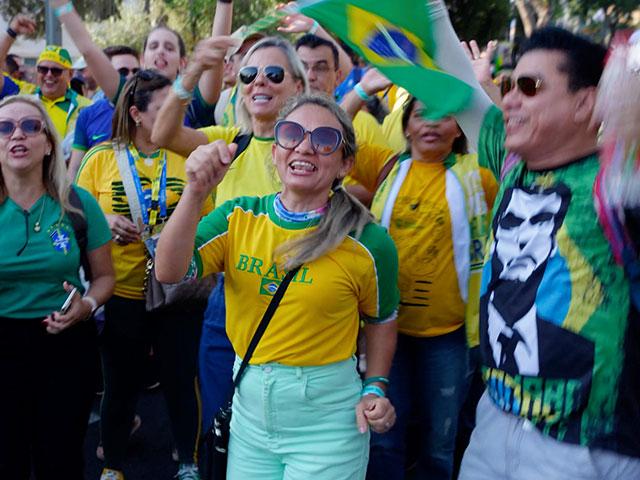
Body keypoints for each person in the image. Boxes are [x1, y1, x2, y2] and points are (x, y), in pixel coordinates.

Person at [419, 1, 640, 478]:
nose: (510, 99)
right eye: (508, 85)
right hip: (493, 423)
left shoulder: (619, 183)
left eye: (530, 87)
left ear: (587, 103)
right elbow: (456, 85)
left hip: (585, 446)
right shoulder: (511, 161)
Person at [155, 93, 399, 480]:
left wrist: (376, 387)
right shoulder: (238, 217)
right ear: (275, 151)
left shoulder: (369, 243)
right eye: (292, 134)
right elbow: (169, 271)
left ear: (345, 164)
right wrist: (195, 191)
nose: (305, 146)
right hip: (251, 417)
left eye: (324, 139)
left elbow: (382, 318)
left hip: (327, 422)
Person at [152, 34, 309, 432]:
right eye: (249, 74)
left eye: (274, 74)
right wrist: (192, 72)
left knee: (284, 427)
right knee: (223, 424)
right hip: (231, 298)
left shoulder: (313, 150)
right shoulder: (229, 142)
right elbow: (162, 134)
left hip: (299, 298)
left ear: (299, 86)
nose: (260, 82)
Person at [76, 70, 213, 480]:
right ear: (136, 113)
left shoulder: (191, 153)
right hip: (122, 290)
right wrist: (107, 218)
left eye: (181, 105)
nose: (178, 113)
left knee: (181, 380)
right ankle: (113, 465)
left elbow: (209, 218)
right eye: (166, 106)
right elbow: (76, 210)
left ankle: (188, 462)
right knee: (119, 384)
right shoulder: (101, 158)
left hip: (178, 291)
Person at [359, 95, 496, 480]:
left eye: (444, 114)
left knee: (440, 443)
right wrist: (363, 85)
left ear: (459, 128)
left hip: (449, 336)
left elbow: (509, 150)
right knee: (384, 438)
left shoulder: (478, 175)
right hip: (388, 334)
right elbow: (338, 136)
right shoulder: (386, 167)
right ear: (405, 127)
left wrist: (481, 90)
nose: (432, 123)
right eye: (421, 114)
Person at [0, 95, 114, 479]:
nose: (17, 134)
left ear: (49, 143)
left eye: (31, 126)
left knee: (61, 460)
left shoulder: (78, 205)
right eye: (5, 127)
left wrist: (88, 305)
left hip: (64, 346)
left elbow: (104, 278)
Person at [0, 16, 91, 151]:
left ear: (70, 74)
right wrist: (11, 33)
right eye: (43, 69)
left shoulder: (86, 108)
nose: (48, 75)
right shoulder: (23, 94)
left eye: (56, 71)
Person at [68, 45, 140, 179]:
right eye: (123, 72)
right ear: (104, 75)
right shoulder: (87, 115)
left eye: (136, 71)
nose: (131, 77)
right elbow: (75, 168)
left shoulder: (150, 112)